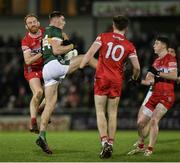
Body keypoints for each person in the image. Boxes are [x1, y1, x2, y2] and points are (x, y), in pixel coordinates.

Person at [35, 11, 97, 154]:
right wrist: (71, 47)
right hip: (54, 65)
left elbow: (53, 48)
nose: (64, 22)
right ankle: (107, 70)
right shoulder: (55, 29)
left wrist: (66, 43)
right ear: (56, 20)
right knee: (84, 58)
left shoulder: (46, 32)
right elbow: (56, 50)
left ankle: (42, 135)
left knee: (50, 104)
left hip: (47, 69)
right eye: (62, 20)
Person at [80, 15, 140, 158]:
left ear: (113, 25)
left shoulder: (103, 36)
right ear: (126, 27)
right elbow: (137, 68)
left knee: (100, 111)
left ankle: (104, 143)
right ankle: (111, 144)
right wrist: (134, 78)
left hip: (102, 78)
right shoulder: (129, 45)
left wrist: (81, 65)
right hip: (116, 80)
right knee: (112, 113)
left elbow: (89, 54)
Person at [127, 36, 177, 156]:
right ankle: (140, 145)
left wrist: (158, 73)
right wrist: (138, 81)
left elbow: (174, 76)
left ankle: (150, 148)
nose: (154, 45)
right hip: (154, 95)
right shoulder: (156, 61)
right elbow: (150, 81)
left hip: (166, 96)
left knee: (154, 120)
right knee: (140, 123)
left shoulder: (171, 59)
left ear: (163, 46)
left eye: (156, 43)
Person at [21, 14, 45, 134]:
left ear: (38, 23)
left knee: (52, 94)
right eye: (30, 23)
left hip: (46, 67)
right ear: (26, 26)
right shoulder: (25, 41)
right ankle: (33, 120)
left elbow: (61, 35)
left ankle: (40, 108)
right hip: (32, 69)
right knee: (39, 92)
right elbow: (28, 61)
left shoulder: (46, 33)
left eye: (34, 21)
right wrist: (43, 52)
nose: (33, 24)